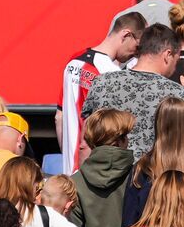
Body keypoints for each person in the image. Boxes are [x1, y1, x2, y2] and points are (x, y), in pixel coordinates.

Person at [82, 24, 184, 162]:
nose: (176, 67)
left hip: (105, 177)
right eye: (176, 59)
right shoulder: (176, 93)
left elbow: (85, 144)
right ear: (168, 55)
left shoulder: (101, 82)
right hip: (151, 179)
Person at [58, 13, 142, 174]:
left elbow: (59, 117)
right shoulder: (111, 74)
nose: (135, 54)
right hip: (90, 170)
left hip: (69, 168)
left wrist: (68, 157)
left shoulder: (73, 62)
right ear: (126, 35)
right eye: (136, 47)